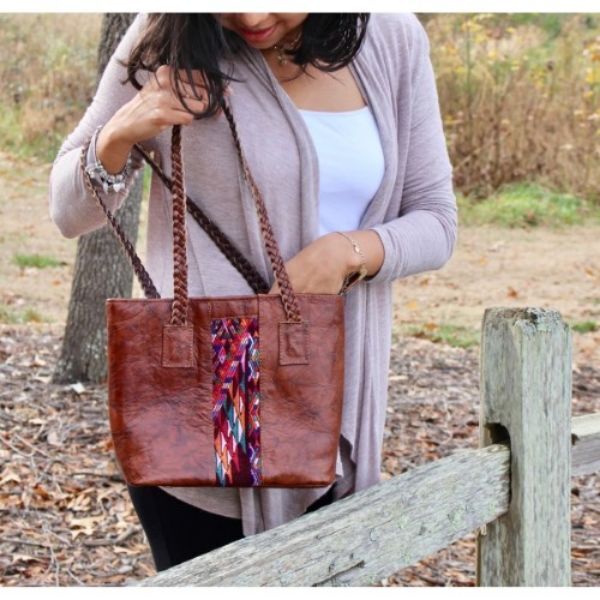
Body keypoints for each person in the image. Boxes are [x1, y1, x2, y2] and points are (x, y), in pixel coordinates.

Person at [48, 12, 458, 572]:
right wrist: (120, 133)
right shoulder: (168, 34)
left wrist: (344, 254)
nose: (251, 17)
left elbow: (436, 221)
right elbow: (67, 212)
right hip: (217, 379)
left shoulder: (390, 39)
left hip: (341, 385)